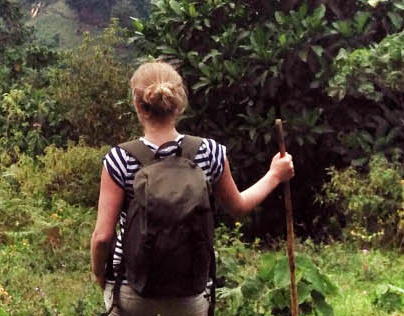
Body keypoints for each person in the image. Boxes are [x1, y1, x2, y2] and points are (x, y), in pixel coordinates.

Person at [90, 60, 294, 316]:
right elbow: (239, 207)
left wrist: (100, 276)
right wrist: (275, 175)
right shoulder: (209, 152)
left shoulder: (119, 159)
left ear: (136, 103)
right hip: (190, 294)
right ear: (179, 103)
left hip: (131, 292)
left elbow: (102, 237)